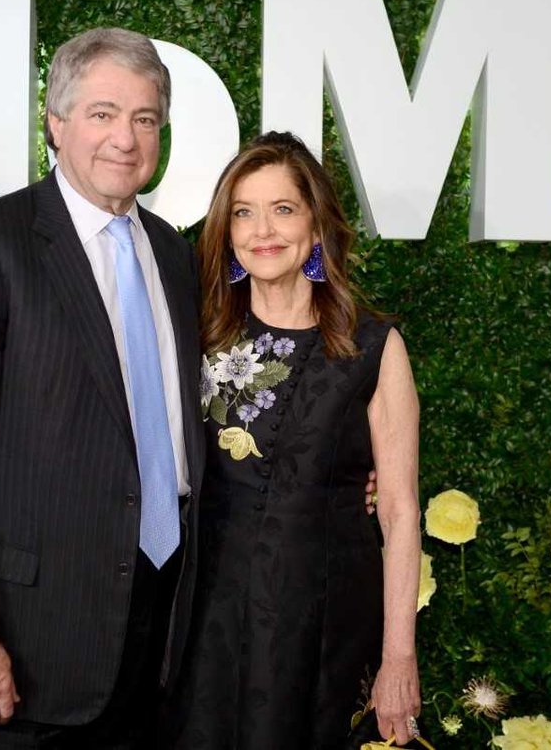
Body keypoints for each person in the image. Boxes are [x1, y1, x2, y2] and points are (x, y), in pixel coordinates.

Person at [0, 27, 205, 750]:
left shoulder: (175, 256)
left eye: (145, 118)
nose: (125, 138)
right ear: (55, 123)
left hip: (153, 643)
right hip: (18, 652)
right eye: (102, 113)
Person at [164, 131, 423, 748]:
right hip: (207, 627)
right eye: (244, 213)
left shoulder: (373, 347)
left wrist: (399, 661)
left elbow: (399, 510)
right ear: (226, 233)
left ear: (315, 226)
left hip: (325, 629)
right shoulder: (195, 335)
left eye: (283, 209)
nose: (263, 230)